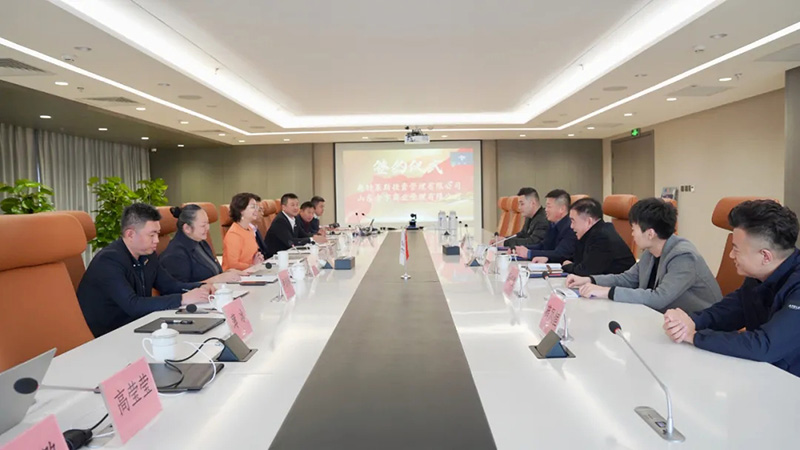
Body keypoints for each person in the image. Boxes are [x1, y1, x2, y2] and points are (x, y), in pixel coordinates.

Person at [663, 200, 800, 377]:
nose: (730, 255)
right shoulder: (758, 276)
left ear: (765, 256)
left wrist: (694, 336)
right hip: (764, 374)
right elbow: (730, 311)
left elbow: (765, 346)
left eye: (736, 249)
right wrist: (690, 322)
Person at [77, 203, 214, 337]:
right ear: (130, 234)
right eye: (151, 235)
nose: (157, 240)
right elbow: (133, 305)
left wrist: (201, 287)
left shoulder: (148, 255)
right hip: (110, 334)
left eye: (157, 234)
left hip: (138, 325)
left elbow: (169, 285)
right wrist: (183, 299)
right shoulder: (108, 261)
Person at [566, 198, 721, 313]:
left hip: (700, 325)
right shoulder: (650, 253)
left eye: (634, 228)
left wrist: (607, 292)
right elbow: (627, 279)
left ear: (650, 234)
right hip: (665, 318)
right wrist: (590, 280)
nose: (632, 234)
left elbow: (659, 298)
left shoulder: (683, 257)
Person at [160, 205, 243, 283]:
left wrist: (227, 273)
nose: (208, 228)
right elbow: (180, 289)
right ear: (187, 228)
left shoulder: (201, 243)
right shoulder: (174, 255)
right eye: (203, 225)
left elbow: (213, 273)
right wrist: (216, 279)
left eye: (208, 223)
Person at [561, 198, 635, 276]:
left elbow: (585, 271)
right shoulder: (591, 233)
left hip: (621, 282)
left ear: (588, 221)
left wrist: (567, 266)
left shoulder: (602, 237)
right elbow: (579, 261)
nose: (571, 226)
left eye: (573, 221)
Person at [514, 189, 577, 263]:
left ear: (561, 209)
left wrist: (530, 253)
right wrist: (522, 249)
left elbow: (560, 254)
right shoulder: (552, 223)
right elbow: (543, 246)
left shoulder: (571, 227)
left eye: (549, 207)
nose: (546, 210)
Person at [222, 192, 268, 271]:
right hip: (235, 275)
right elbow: (233, 264)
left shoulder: (250, 229)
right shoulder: (234, 234)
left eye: (256, 207)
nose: (256, 210)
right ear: (241, 210)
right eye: (253, 207)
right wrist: (252, 266)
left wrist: (257, 257)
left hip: (250, 271)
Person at [264, 193, 314, 258]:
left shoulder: (295, 218)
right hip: (275, 257)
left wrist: (316, 236)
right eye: (292, 205)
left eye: (297, 205)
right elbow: (290, 242)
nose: (296, 208)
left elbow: (303, 235)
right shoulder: (280, 221)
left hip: (289, 254)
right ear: (283, 207)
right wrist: (311, 239)